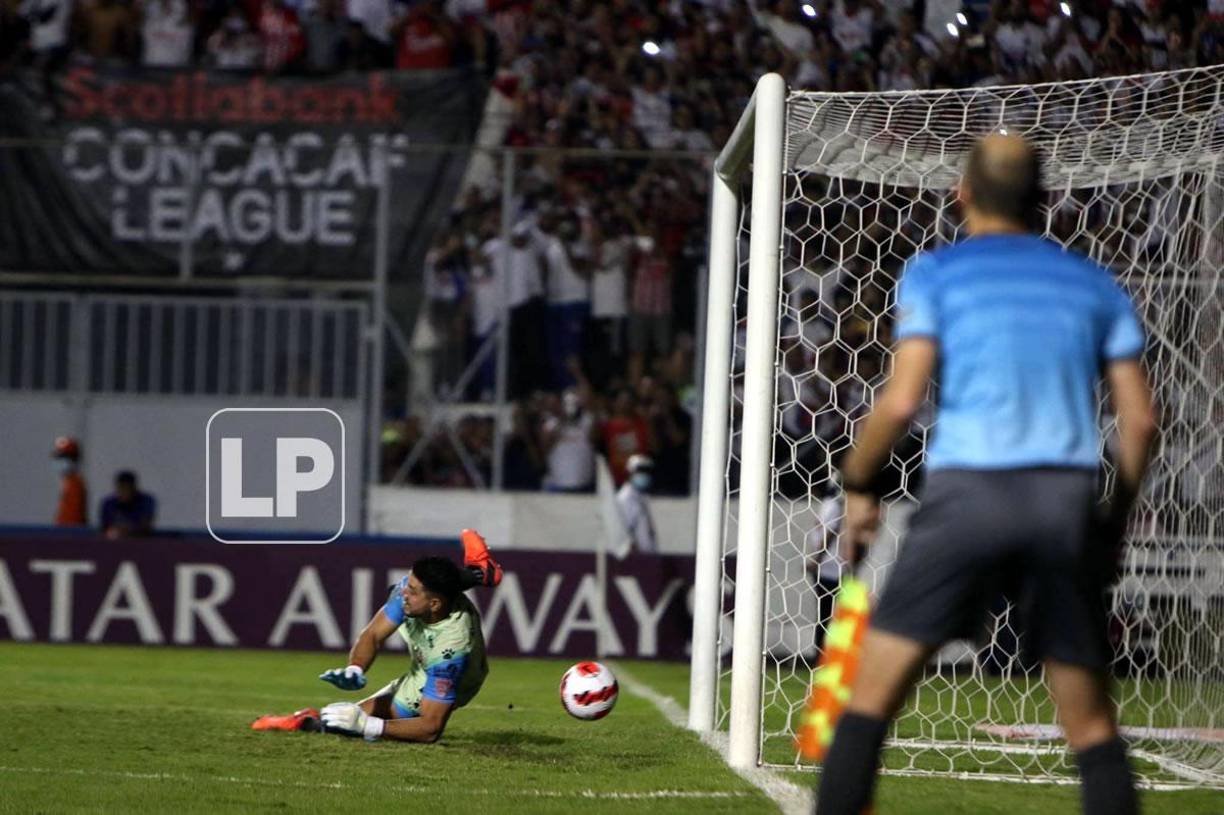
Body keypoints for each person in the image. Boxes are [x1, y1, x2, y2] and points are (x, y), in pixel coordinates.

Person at [816, 134, 1157, 815]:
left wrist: (859, 483)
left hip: (966, 496)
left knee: (867, 708)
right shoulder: (1094, 282)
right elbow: (1141, 423)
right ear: (1045, 201)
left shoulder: (936, 272)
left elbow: (903, 399)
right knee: (1091, 730)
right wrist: (1110, 520)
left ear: (961, 194)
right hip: (1061, 501)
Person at [252, 530, 502, 741]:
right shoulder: (412, 596)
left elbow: (430, 729)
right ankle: (481, 572)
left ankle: (301, 722)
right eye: (409, 584)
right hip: (427, 632)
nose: (405, 591)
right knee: (347, 717)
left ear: (434, 604)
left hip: (448, 671)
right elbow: (373, 634)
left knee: (348, 725)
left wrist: (368, 726)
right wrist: (356, 668)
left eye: (413, 590)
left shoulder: (450, 654)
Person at [616, 453, 657, 555]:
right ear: (630, 474)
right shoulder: (625, 498)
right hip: (635, 558)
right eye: (640, 472)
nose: (644, 475)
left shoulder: (641, 497)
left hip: (648, 555)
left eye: (647, 472)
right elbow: (622, 532)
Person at [99, 471, 157, 538]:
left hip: (139, 541)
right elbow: (105, 528)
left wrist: (128, 529)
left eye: (127, 489)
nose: (124, 493)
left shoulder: (146, 501)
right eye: (122, 489)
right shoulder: (109, 504)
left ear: (134, 488)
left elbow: (145, 527)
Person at [51, 436, 87, 527]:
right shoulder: (67, 482)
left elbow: (72, 519)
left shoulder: (75, 483)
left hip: (70, 535)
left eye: (63, 457)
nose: (59, 461)